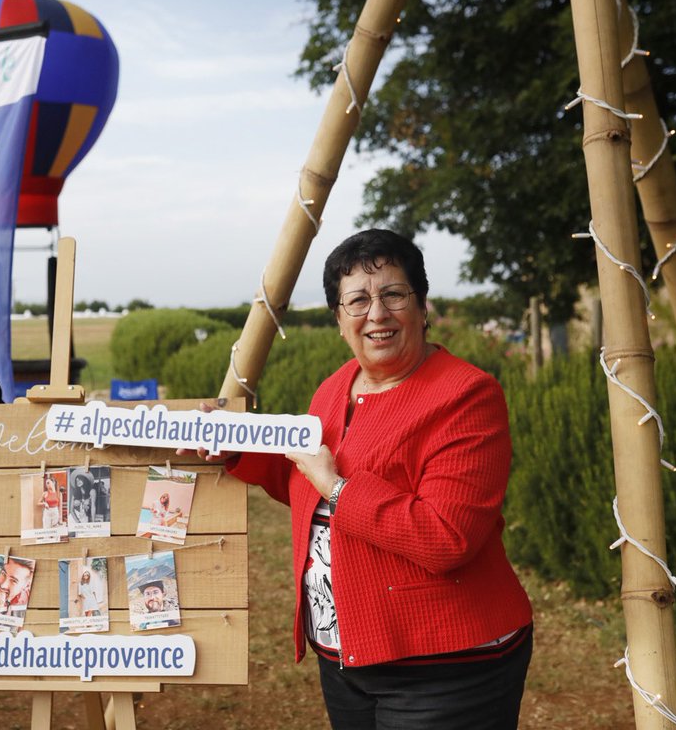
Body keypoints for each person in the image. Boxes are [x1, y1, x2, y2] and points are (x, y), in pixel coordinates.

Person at [202, 229, 533, 729]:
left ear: (422, 307)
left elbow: (447, 537)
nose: (376, 313)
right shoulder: (336, 387)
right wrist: (232, 449)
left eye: (392, 294)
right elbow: (306, 479)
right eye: (356, 301)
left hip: (444, 663)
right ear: (339, 320)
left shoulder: (466, 396)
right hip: (349, 653)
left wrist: (338, 487)